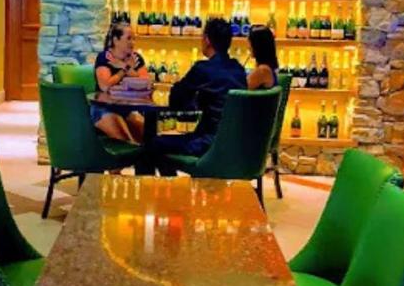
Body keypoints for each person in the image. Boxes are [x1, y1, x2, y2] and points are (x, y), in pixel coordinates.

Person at [139, 18, 247, 174]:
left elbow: (176, 99)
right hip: (234, 144)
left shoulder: (203, 69)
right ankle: (171, 186)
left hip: (207, 143)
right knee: (162, 145)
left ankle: (160, 187)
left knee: (151, 145)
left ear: (207, 40)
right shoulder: (239, 69)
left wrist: (193, 99)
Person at [92, 22, 149, 143]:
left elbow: (146, 83)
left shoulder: (136, 58)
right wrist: (124, 70)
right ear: (116, 40)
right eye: (128, 38)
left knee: (148, 137)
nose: (132, 42)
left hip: (128, 109)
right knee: (128, 142)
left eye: (134, 38)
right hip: (105, 108)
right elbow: (105, 86)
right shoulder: (105, 57)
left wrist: (125, 67)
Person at [246, 25, 279, 89]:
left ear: (258, 46)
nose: (248, 47)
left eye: (250, 43)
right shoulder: (267, 68)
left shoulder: (263, 71)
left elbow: (240, 89)